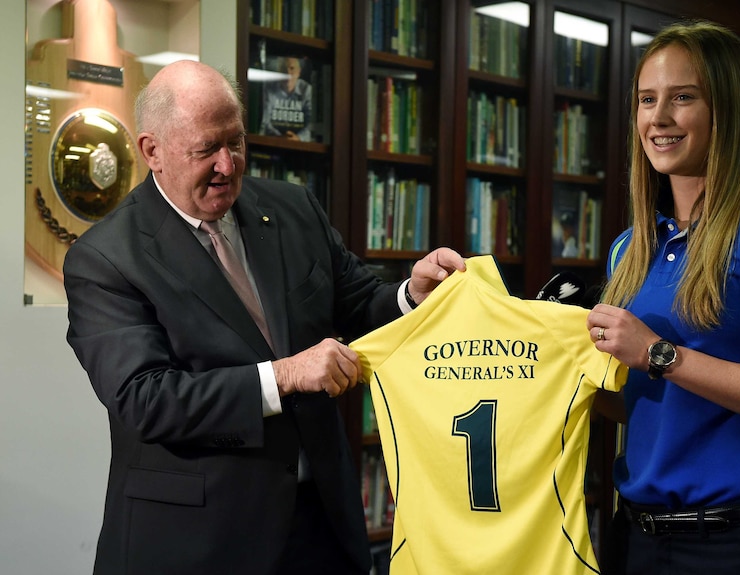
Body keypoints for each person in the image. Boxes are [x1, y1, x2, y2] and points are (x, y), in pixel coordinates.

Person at [63, 60, 465, 575]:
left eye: (236, 142)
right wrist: (285, 375)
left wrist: (412, 293)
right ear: (152, 152)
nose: (229, 166)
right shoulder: (105, 258)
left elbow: (359, 300)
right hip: (197, 542)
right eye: (207, 149)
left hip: (321, 525)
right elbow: (146, 399)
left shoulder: (294, 208)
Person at [585, 21, 740, 575]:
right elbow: (634, 403)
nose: (659, 118)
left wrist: (660, 355)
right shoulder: (629, 248)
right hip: (634, 538)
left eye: (683, 97)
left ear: (724, 107)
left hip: (737, 545)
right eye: (646, 100)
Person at [260, 55, 313, 141]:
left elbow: (311, 123)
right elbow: (265, 120)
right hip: (273, 141)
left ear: (299, 72)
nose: (288, 73)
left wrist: (299, 138)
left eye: (292, 68)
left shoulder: (307, 90)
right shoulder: (268, 88)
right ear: (278, 71)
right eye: (284, 69)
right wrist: (280, 138)